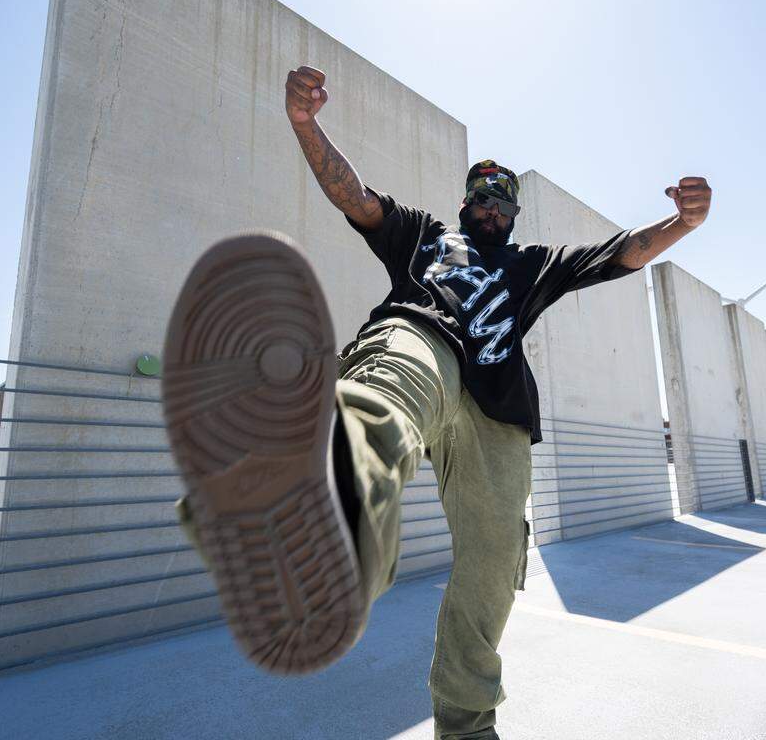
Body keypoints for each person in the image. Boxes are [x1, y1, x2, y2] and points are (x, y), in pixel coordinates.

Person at [162, 65, 712, 740]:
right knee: (399, 373)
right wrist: (306, 125)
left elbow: (622, 253)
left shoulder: (532, 265)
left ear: (513, 214)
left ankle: (466, 723)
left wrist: (681, 224)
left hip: (497, 414)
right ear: (463, 205)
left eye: (500, 200)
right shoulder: (422, 235)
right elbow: (354, 195)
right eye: (479, 197)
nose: (489, 206)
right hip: (422, 341)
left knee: (492, 562)